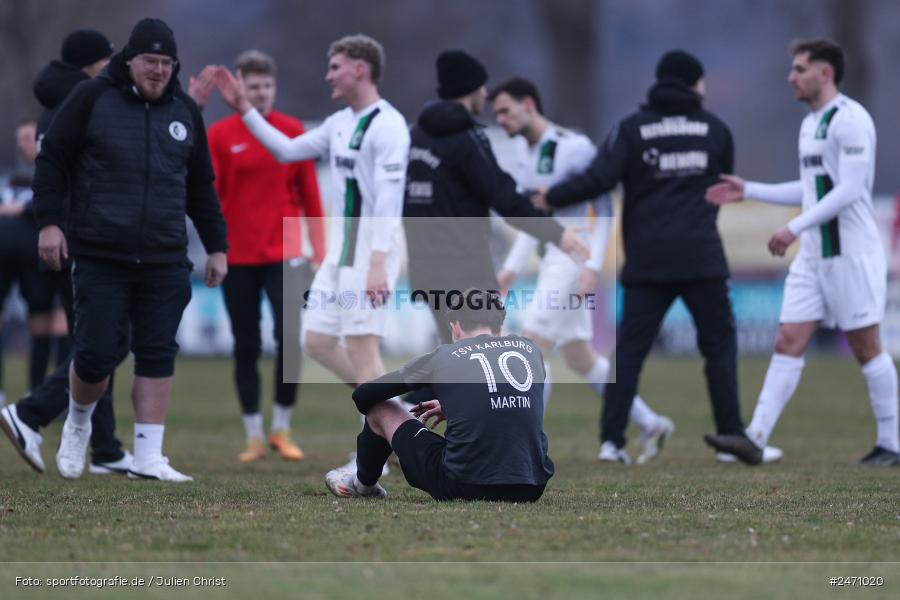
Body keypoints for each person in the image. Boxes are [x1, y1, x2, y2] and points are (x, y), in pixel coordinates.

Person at [533, 50, 777, 464]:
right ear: (694, 83)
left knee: (629, 354)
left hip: (647, 261)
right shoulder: (715, 129)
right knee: (718, 346)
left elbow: (600, 179)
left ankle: (612, 443)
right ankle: (731, 437)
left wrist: (552, 197)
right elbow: (722, 184)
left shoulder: (631, 128)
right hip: (702, 257)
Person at [31, 18, 228, 482]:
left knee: (158, 351)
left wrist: (217, 247)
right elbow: (52, 161)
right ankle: (78, 423)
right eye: (149, 61)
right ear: (130, 60)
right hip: (101, 251)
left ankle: (148, 457)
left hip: (164, 253)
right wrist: (49, 224)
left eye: (166, 63)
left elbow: (202, 186)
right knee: (97, 355)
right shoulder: (93, 96)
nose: (158, 70)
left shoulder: (184, 110)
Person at [216, 34, 409, 473]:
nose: (328, 76)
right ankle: (396, 416)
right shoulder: (340, 122)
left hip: (370, 250)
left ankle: (390, 440)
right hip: (339, 251)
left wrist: (378, 260)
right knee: (317, 342)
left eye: (335, 67)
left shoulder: (389, 125)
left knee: (363, 348)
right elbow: (286, 150)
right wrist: (245, 110)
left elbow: (389, 200)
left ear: (359, 69)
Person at [704, 39, 899, 466]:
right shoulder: (810, 124)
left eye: (799, 69)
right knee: (787, 340)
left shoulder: (851, 120)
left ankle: (891, 444)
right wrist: (749, 190)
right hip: (813, 256)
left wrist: (793, 226)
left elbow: (849, 189)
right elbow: (812, 190)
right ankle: (754, 439)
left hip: (853, 253)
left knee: (867, 347)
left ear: (824, 73)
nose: (791, 77)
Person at [489, 77, 674, 464]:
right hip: (555, 256)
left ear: (529, 104)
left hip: (574, 259)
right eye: (497, 114)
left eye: (506, 111)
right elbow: (533, 218)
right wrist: (510, 269)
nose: (501, 120)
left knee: (531, 345)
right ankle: (651, 422)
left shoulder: (573, 148)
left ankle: (519, 448)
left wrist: (592, 264)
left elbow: (604, 208)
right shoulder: (526, 154)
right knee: (579, 357)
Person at [0, 29, 133, 476]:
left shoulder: (53, 106)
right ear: (92, 63)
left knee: (96, 342)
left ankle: (107, 449)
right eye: (107, 58)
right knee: (104, 344)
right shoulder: (79, 104)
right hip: (84, 240)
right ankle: (32, 412)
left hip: (68, 237)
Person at [403, 51, 587, 348]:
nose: (485, 93)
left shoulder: (414, 136)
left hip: (425, 269)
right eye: (482, 87)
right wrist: (556, 233)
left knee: (453, 354)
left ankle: (428, 395)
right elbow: (503, 196)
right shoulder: (466, 137)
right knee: (483, 359)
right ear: (471, 88)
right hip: (466, 268)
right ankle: (426, 394)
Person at [207, 50, 326, 463]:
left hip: (285, 253)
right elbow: (211, 197)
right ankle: (253, 435)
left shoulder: (291, 130)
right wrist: (213, 247)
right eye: (252, 86)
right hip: (237, 255)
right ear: (239, 87)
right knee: (245, 344)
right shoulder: (220, 135)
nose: (260, 93)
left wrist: (320, 249)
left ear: (274, 87)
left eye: (266, 86)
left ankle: (281, 427)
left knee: (290, 342)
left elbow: (310, 194)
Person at [325, 289, 553, 502]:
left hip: (465, 485)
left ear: (454, 327)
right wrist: (456, 403)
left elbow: (364, 395)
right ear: (500, 326)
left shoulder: (445, 355)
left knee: (380, 408)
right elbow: (508, 398)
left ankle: (363, 485)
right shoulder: (530, 349)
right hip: (532, 486)